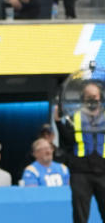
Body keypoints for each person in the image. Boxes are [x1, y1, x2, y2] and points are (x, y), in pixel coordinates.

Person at [55, 80, 105, 223]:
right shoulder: (74, 117)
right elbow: (66, 141)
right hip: (80, 172)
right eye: (89, 96)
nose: (93, 99)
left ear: (100, 97)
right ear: (83, 98)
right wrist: (58, 122)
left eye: (95, 96)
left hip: (103, 171)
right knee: (80, 214)